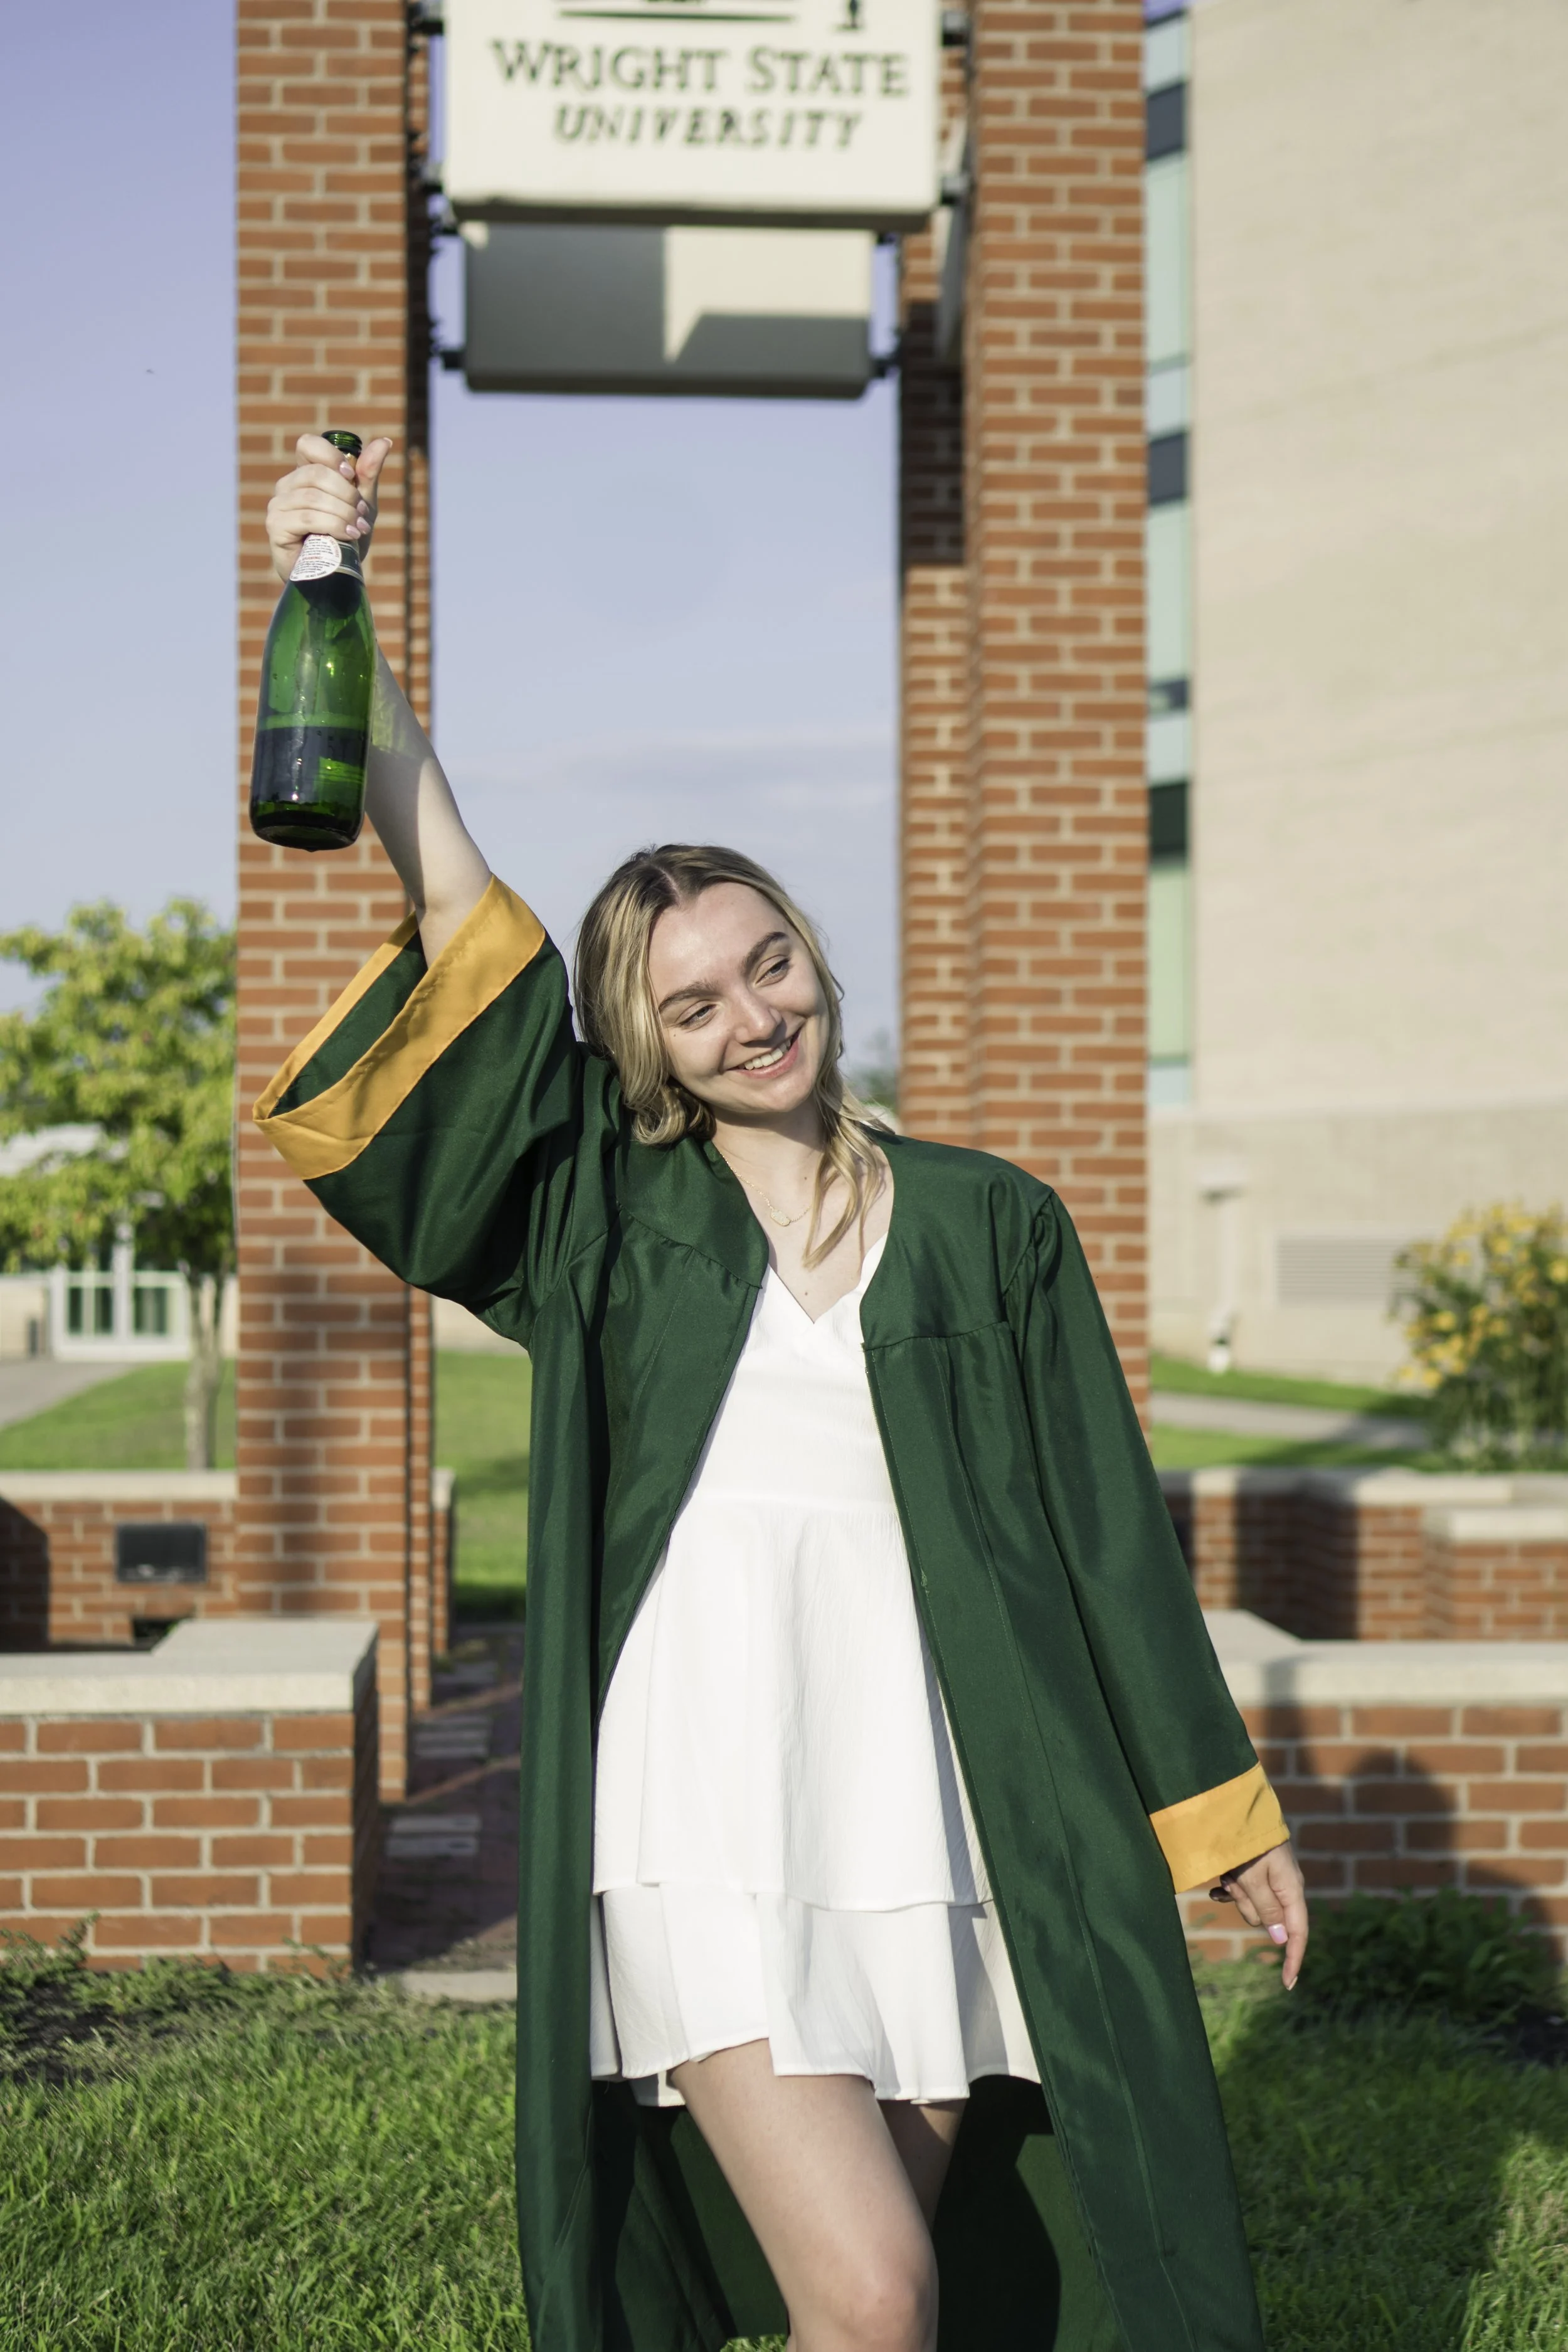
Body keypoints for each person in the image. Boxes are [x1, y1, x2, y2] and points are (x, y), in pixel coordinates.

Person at [255, 434, 1309, 2352]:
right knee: (874, 2289)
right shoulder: (601, 1210)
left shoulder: (993, 1225)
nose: (753, 1015)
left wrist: (1205, 1794)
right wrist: (333, 583)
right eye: (691, 1002)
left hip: (920, 1794)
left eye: (767, 961)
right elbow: (452, 890)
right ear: (643, 1044)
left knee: (868, 2321)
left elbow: (1099, 1528)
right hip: (702, 1798)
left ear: (809, 948)